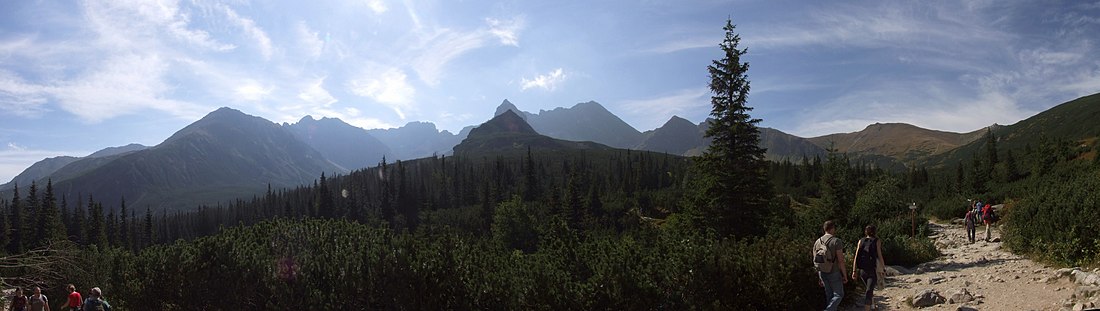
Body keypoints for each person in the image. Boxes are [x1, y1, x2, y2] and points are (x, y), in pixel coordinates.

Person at [814, 220, 847, 311]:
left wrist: (819, 276)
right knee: (839, 294)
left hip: (822, 272)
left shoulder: (817, 242)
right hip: (833, 271)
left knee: (829, 295)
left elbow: (816, 260)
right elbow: (841, 260)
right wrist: (844, 275)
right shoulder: (836, 241)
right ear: (832, 228)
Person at [852, 225, 885, 311]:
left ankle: (873, 307)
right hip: (871, 270)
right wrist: (883, 268)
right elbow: (879, 255)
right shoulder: (877, 241)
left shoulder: (861, 241)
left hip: (862, 270)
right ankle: (868, 308)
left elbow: (856, 256)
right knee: (869, 291)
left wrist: (854, 270)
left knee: (868, 289)